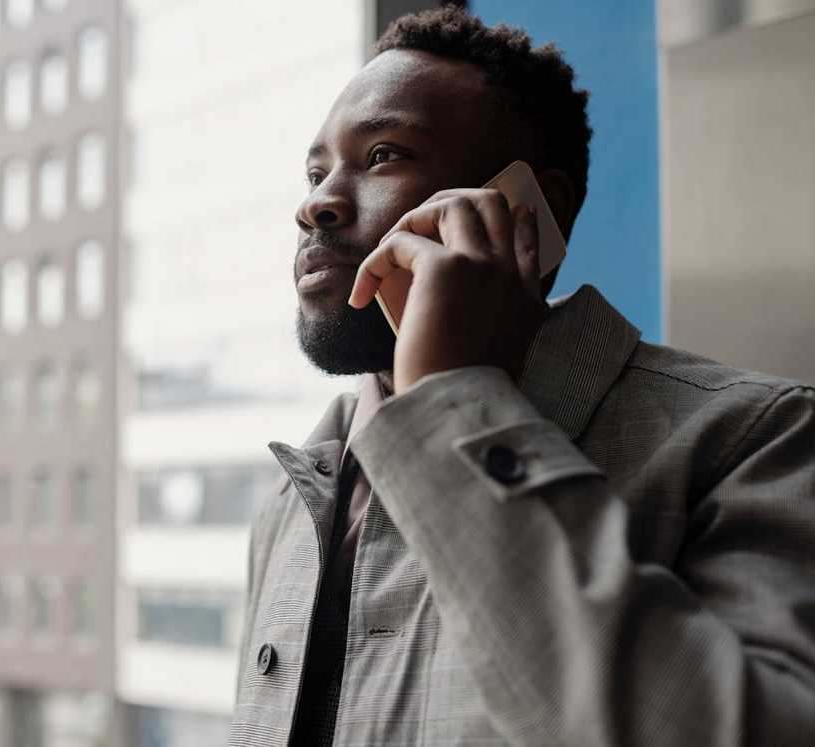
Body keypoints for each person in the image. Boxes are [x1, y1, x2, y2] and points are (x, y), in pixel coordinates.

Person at [228, 7, 815, 746]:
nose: (315, 203)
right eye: (316, 172)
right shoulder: (290, 503)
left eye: (382, 154)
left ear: (533, 212)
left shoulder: (753, 441)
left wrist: (457, 403)